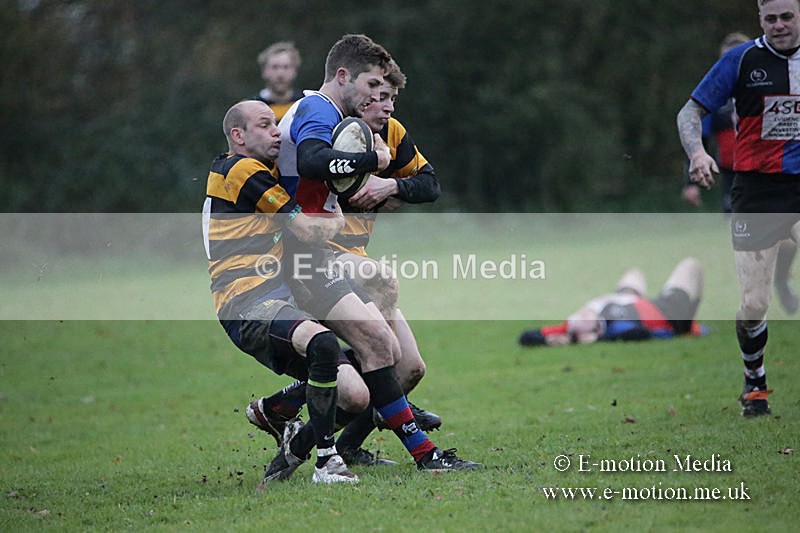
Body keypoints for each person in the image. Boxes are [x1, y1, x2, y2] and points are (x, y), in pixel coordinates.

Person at [258, 34, 481, 476]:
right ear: (345, 78)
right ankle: (426, 455)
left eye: (389, 93)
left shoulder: (365, 124)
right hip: (303, 256)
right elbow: (312, 161)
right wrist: (371, 162)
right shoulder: (319, 110)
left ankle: (293, 432)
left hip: (327, 257)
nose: (382, 101)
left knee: (406, 367)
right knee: (381, 318)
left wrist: (390, 185)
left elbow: (429, 184)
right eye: (374, 88)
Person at [203, 99, 358, 484]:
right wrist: (336, 218)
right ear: (238, 136)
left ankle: (276, 409)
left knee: (355, 391)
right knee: (322, 344)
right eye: (264, 125)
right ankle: (327, 463)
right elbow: (305, 228)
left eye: (276, 123)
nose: (276, 131)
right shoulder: (241, 170)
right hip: (246, 302)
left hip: (279, 296)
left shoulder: (259, 169)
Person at [677, 0, 800, 417]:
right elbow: (690, 111)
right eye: (771, 18)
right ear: (760, 19)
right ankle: (755, 382)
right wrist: (697, 154)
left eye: (788, 16)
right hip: (757, 189)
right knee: (753, 303)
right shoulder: (742, 60)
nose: (780, 25)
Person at [681, 32, 799, 315]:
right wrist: (691, 177)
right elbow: (700, 135)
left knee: (785, 237)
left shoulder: (776, 80)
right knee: (753, 296)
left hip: (788, 178)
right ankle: (762, 279)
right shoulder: (719, 104)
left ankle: (781, 278)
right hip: (739, 178)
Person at [518, 258, 704, 347]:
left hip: (628, 298)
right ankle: (687, 325)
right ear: (596, 329)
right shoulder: (616, 327)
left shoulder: (570, 327)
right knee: (691, 265)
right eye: (581, 318)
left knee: (634, 272)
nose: (577, 315)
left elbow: (527, 336)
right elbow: (640, 334)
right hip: (664, 309)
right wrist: (597, 340)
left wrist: (547, 339)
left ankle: (688, 323)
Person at [255, 41, 305, 123]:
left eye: (286, 67)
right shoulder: (252, 108)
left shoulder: (303, 105)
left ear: (295, 71)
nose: (280, 74)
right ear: (264, 71)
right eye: (275, 67)